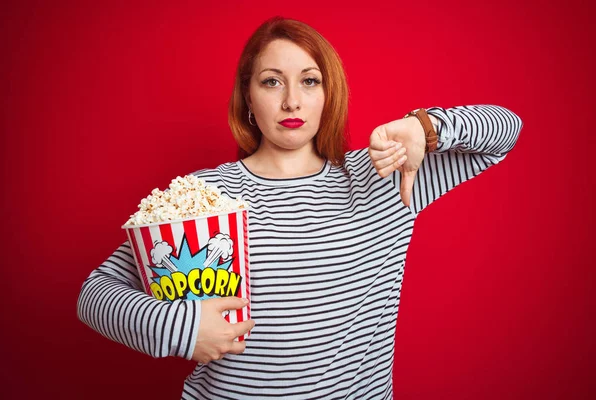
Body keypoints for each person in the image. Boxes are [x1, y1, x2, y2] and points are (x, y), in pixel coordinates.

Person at [77, 16, 523, 400]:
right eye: (272, 81)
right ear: (248, 97)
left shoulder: (385, 175)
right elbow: (95, 295)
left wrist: (423, 127)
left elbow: (507, 131)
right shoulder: (204, 194)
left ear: (328, 94)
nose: (291, 100)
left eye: (310, 81)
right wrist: (182, 326)